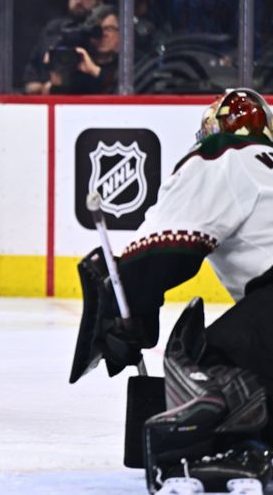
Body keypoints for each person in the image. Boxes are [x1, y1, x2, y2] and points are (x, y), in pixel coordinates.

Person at [73, 89, 273, 492]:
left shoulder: (223, 156)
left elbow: (161, 253)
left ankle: (244, 447)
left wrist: (127, 316)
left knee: (206, 355)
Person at [23, 0, 101, 95]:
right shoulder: (53, 29)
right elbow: (33, 66)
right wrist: (34, 85)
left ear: (98, 1)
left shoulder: (100, 32)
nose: (79, 1)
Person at [47, 4, 120, 95]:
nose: (103, 34)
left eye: (109, 29)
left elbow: (126, 92)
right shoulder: (78, 62)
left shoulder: (130, 63)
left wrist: (94, 70)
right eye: (97, 29)